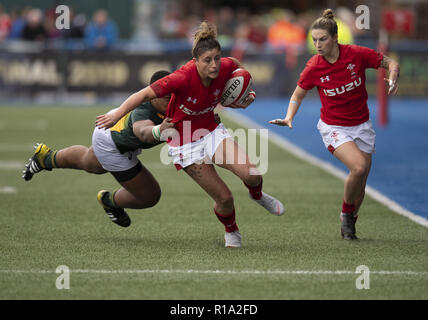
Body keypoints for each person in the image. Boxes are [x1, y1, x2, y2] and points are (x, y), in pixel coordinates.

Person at [96, 21, 285, 248]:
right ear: (196, 61)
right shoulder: (182, 78)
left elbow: (237, 68)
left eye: (217, 57)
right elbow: (143, 94)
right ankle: (231, 230)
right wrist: (117, 114)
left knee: (252, 175)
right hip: (184, 143)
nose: (214, 64)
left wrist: (246, 94)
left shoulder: (224, 66)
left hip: (211, 131)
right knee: (224, 199)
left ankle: (257, 195)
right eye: (207, 60)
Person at [270, 9, 400, 240]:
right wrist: (289, 116)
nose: (318, 45)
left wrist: (392, 75)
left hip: (362, 125)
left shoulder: (356, 54)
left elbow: (389, 62)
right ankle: (347, 215)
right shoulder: (314, 66)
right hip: (334, 128)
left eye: (323, 39)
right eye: (314, 40)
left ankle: (349, 221)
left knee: (361, 181)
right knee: (358, 168)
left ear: (335, 38)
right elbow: (297, 95)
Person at [23, 71, 175, 227]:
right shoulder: (143, 110)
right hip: (113, 144)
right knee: (150, 196)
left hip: (113, 125)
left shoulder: (178, 100)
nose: (171, 102)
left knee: (90, 163)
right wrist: (158, 130)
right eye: (166, 98)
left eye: (173, 96)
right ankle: (109, 201)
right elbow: (143, 132)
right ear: (153, 95)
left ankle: (46, 158)